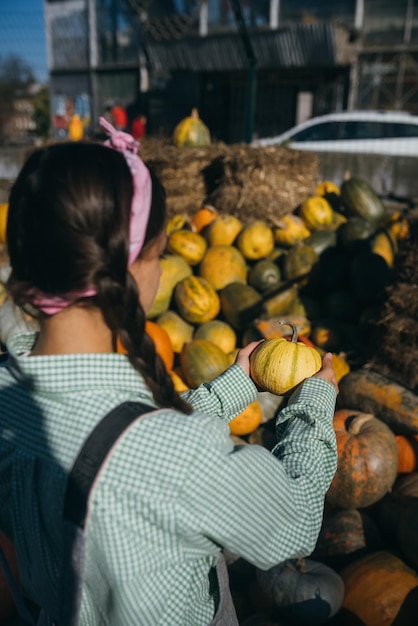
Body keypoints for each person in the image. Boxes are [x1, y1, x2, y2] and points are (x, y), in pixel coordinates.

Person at [0, 118, 338, 625]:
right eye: (161, 252)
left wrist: (233, 386)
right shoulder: (179, 457)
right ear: (133, 268)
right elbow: (293, 522)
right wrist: (313, 405)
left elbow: (119, 436)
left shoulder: (9, 391)